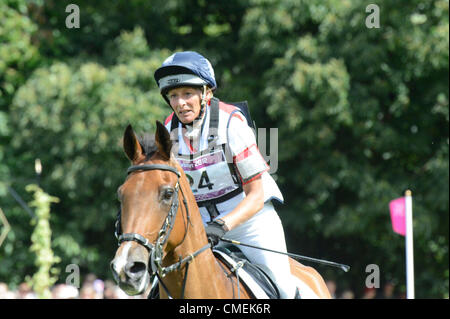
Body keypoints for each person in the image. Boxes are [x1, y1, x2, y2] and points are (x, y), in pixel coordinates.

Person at [153, 51, 298, 299]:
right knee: (160, 288)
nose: (180, 103)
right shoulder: (168, 131)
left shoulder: (231, 125)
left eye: (187, 94)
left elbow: (256, 195)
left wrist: (223, 224)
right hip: (199, 224)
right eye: (174, 96)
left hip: (250, 219)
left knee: (283, 287)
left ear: (206, 93)